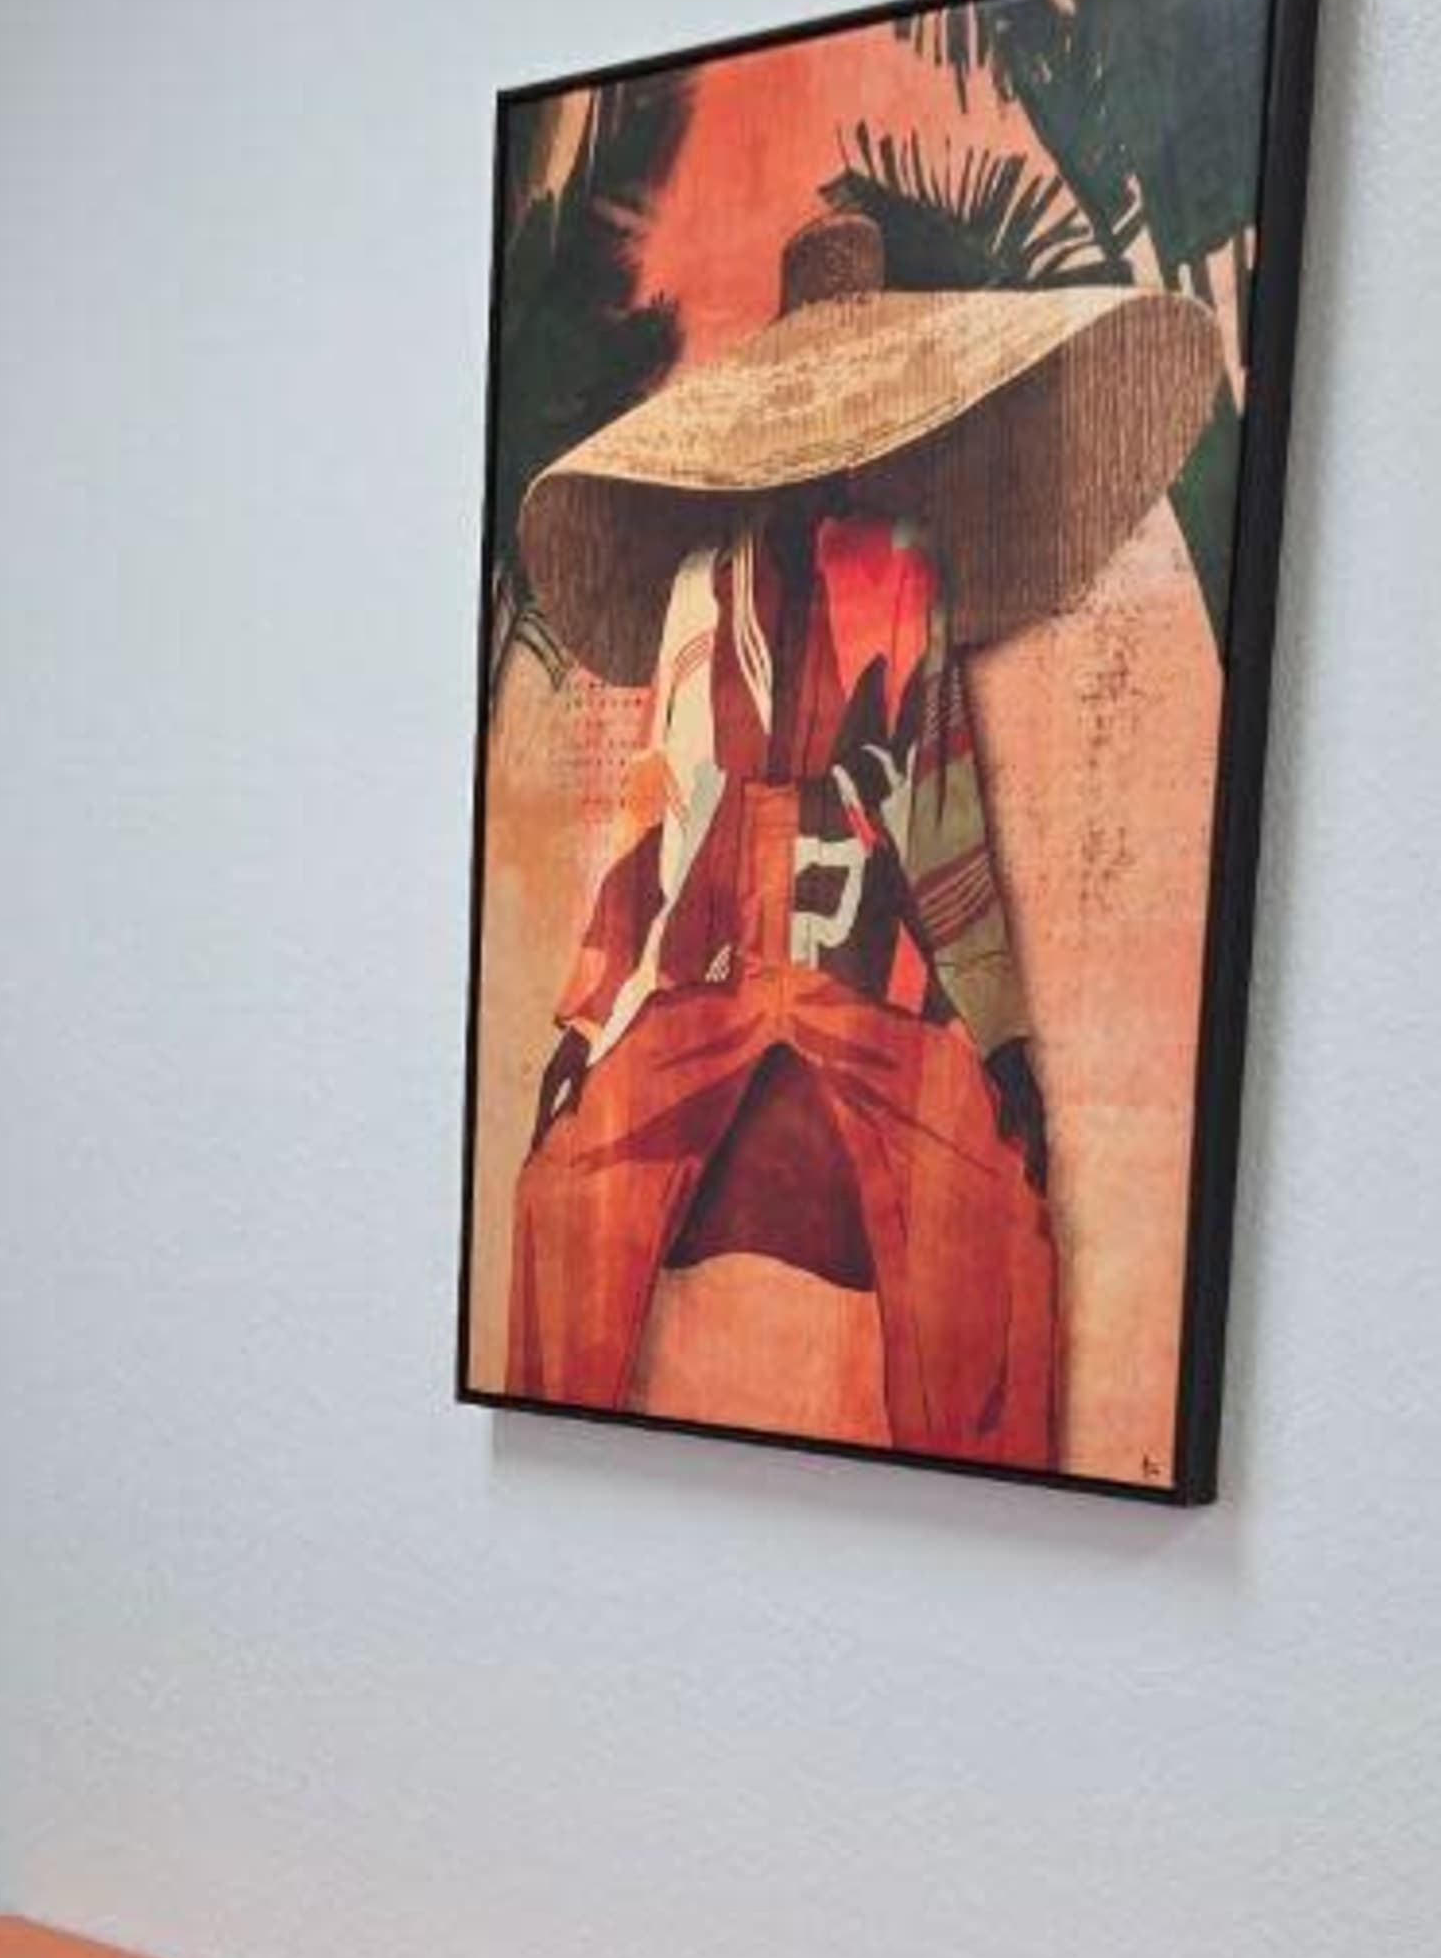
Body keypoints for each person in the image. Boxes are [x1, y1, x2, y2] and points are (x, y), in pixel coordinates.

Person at [508, 207, 1219, 1470]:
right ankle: (555, 1444)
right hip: (706, 961)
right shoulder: (698, 587)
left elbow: (940, 816)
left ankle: (991, 1491)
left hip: (871, 965)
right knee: (567, 1184)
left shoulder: (905, 573)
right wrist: (582, 1026)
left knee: (991, 1216)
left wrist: (995, 1041)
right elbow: (657, 813)